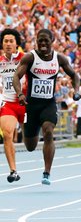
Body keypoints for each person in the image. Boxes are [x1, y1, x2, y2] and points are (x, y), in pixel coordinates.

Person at [13, 29, 81, 185]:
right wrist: (20, 94)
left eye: (46, 40)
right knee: (30, 146)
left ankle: (47, 172)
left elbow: (74, 75)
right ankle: (26, 126)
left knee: (49, 131)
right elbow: (16, 76)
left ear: (53, 41)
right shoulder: (30, 57)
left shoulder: (59, 59)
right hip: (30, 104)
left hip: (48, 103)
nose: (43, 44)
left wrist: (76, 91)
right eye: (40, 40)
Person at [0, 29, 26, 182]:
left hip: (25, 103)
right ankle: (13, 170)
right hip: (9, 103)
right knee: (7, 134)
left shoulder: (26, 59)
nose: (8, 44)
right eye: (5, 41)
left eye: (11, 41)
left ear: (17, 44)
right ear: (2, 44)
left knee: (30, 142)